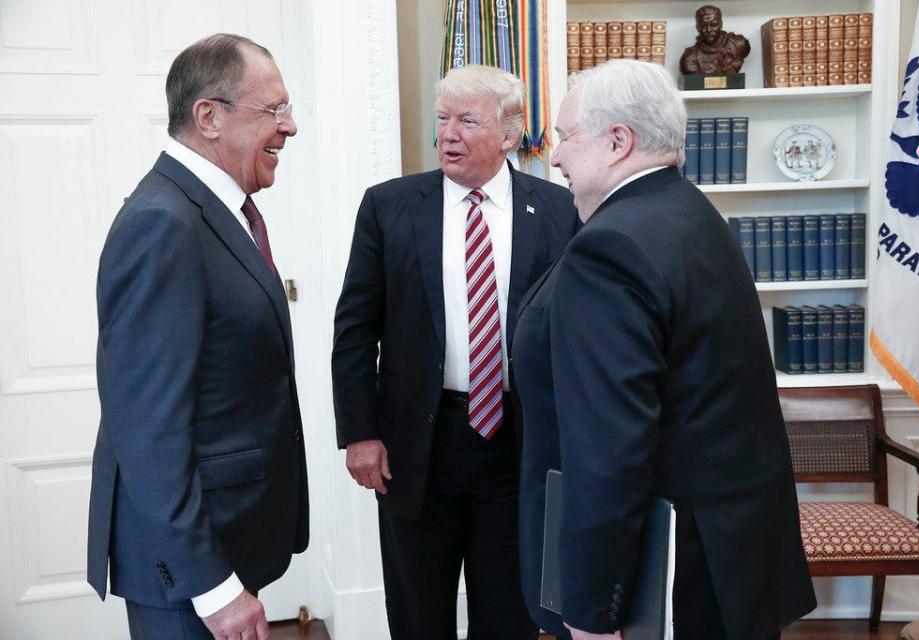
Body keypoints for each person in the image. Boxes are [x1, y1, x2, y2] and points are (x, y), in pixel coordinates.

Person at [511, 59, 816, 640]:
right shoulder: (689, 213)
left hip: (669, 578)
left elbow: (609, 446)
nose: (555, 157)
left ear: (618, 141)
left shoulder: (611, 248)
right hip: (726, 557)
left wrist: (594, 611)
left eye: (567, 137)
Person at [332, 64, 578, 639]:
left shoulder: (560, 210)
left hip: (520, 442)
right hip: (418, 443)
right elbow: (354, 328)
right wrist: (359, 432)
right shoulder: (389, 207)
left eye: (468, 120)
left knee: (510, 613)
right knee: (420, 613)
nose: (448, 134)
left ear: (510, 133)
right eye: (442, 119)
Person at [87, 33, 308, 640]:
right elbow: (147, 426)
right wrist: (211, 584)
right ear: (208, 117)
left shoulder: (212, 212)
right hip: (190, 574)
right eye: (275, 110)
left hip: (227, 541)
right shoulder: (163, 224)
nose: (290, 128)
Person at [679, 5, 751, 75]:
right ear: (697, 28)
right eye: (703, 26)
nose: (709, 30)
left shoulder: (739, 44)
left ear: (721, 24)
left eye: (713, 25)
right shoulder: (690, 59)